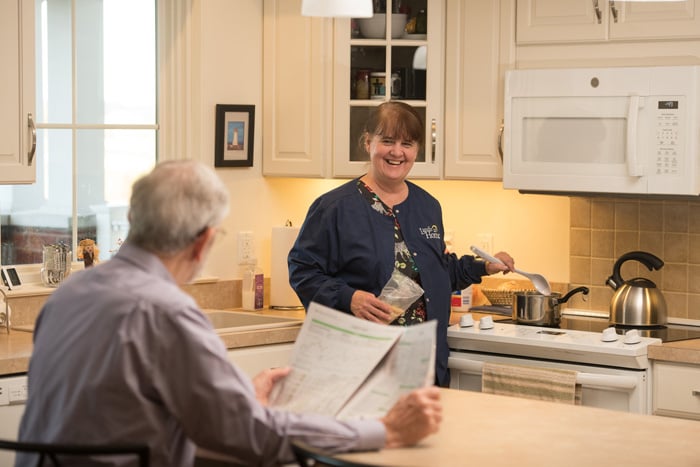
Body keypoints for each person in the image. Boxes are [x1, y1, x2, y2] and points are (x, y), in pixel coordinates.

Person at [17, 160, 442, 467]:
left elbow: (127, 407)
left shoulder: (69, 293)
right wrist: (386, 431)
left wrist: (242, 398)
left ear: (133, 219)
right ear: (203, 242)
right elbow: (254, 438)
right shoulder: (167, 313)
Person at [288, 101, 516, 388]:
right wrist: (349, 297)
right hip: (361, 366)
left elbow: (433, 272)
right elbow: (302, 271)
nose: (397, 152)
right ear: (368, 142)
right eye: (387, 141)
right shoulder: (334, 208)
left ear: (416, 150)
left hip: (424, 364)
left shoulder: (427, 206)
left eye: (407, 143)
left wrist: (483, 266)